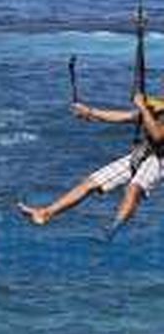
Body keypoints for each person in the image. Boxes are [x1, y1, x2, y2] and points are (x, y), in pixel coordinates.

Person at [18, 93, 164, 236]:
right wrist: (90, 112)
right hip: (143, 153)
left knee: (133, 189)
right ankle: (46, 213)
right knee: (90, 183)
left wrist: (143, 108)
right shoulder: (157, 108)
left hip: (159, 159)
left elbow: (157, 135)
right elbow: (122, 117)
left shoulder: (150, 110)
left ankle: (114, 230)